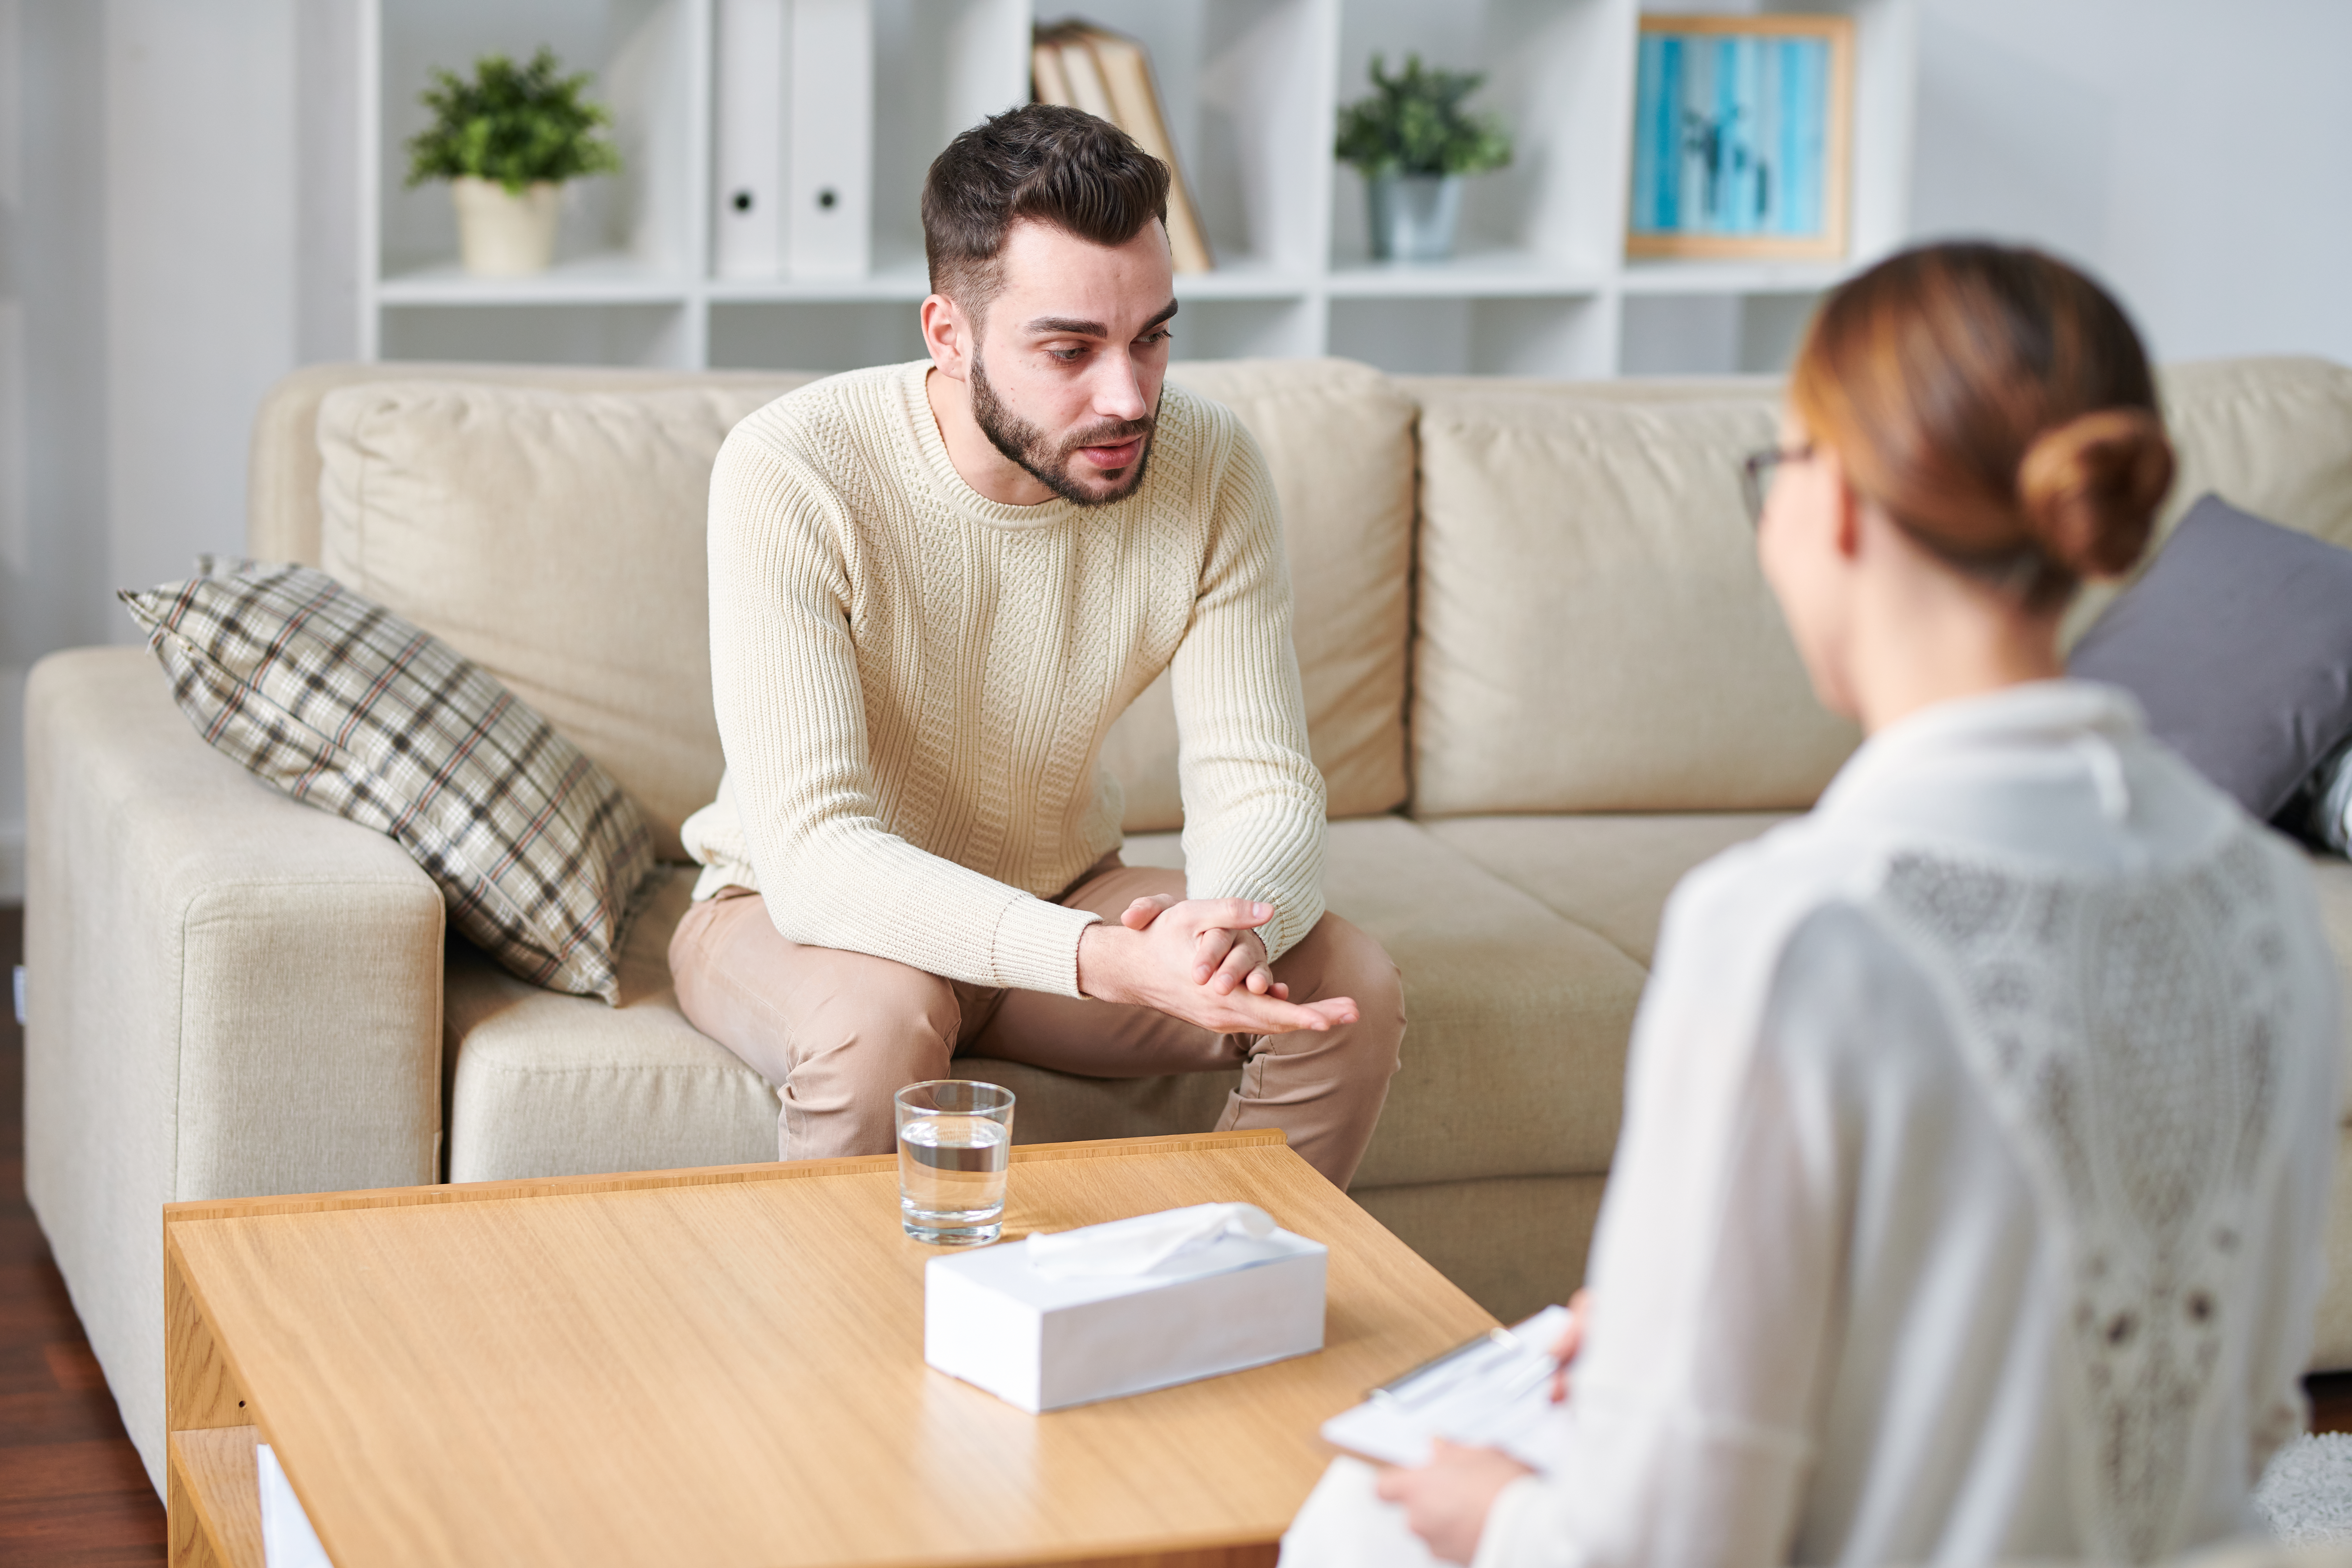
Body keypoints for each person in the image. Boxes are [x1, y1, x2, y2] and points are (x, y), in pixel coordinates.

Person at [1281, 242, 2340, 1563]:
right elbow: (2238, 1419)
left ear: (1831, 503)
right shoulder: (2261, 898)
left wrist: (1495, 1511)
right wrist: (1678, 1343)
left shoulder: (1797, 929)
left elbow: (1672, 1543)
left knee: (1357, 1512)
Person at [667, 104, 1405, 1189]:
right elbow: (818, 857)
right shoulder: (794, 467)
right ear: (948, 334)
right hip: (799, 918)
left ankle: (1223, 1270)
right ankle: (850, 1311)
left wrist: (1229, 933)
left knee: (1345, 985)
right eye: (1070, 350)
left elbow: (1260, 780)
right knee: (881, 1027)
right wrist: (1103, 961)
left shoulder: (1211, 465)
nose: (1129, 398)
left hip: (1064, 891)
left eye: (1152, 337)